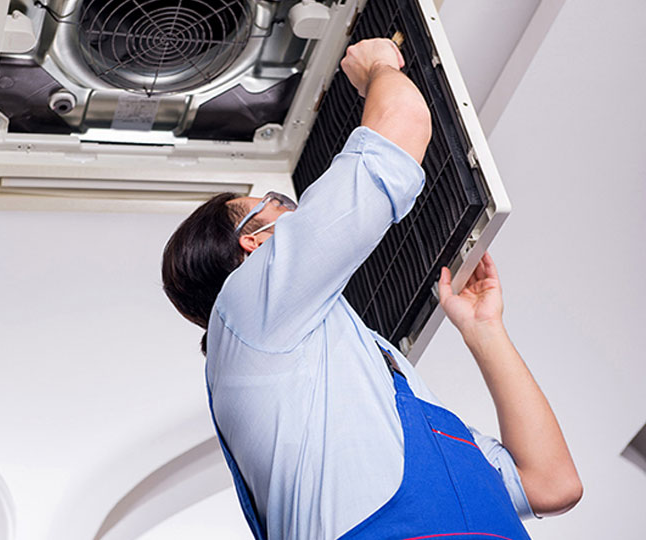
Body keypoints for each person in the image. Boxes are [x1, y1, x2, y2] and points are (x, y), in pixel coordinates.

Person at [161, 37, 582, 540]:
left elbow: (550, 485)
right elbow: (398, 136)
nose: (295, 208)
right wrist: (379, 66)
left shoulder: (379, 381)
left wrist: (484, 330)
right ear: (254, 245)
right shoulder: (247, 308)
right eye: (275, 203)